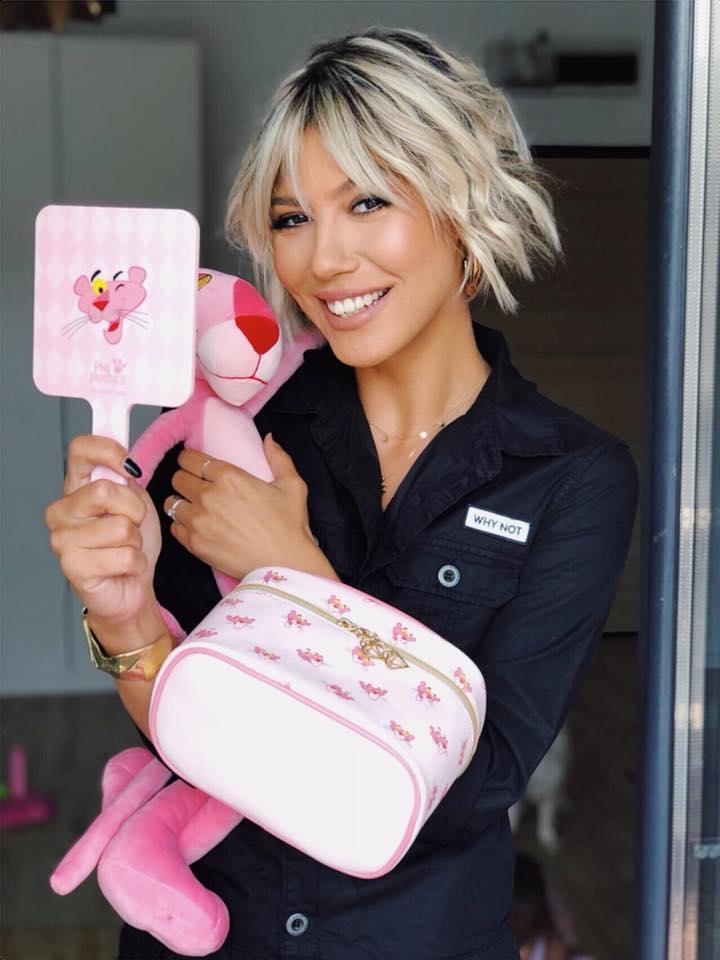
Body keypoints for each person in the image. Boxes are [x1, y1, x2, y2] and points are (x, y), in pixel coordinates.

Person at [45, 28, 638, 960]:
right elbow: (183, 722)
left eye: (367, 201)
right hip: (214, 931)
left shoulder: (572, 477)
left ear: (463, 205)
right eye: (291, 219)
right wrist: (123, 617)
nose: (324, 260)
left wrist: (293, 577)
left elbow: (474, 786)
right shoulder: (233, 426)